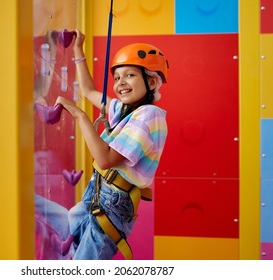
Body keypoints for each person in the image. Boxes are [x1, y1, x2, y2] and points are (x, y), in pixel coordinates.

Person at [53, 29, 169, 260]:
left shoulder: (149, 115)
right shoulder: (124, 110)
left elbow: (105, 159)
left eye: (130, 75)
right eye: (116, 78)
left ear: (152, 81)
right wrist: (78, 49)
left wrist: (81, 116)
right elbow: (87, 91)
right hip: (97, 191)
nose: (120, 83)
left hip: (113, 202)